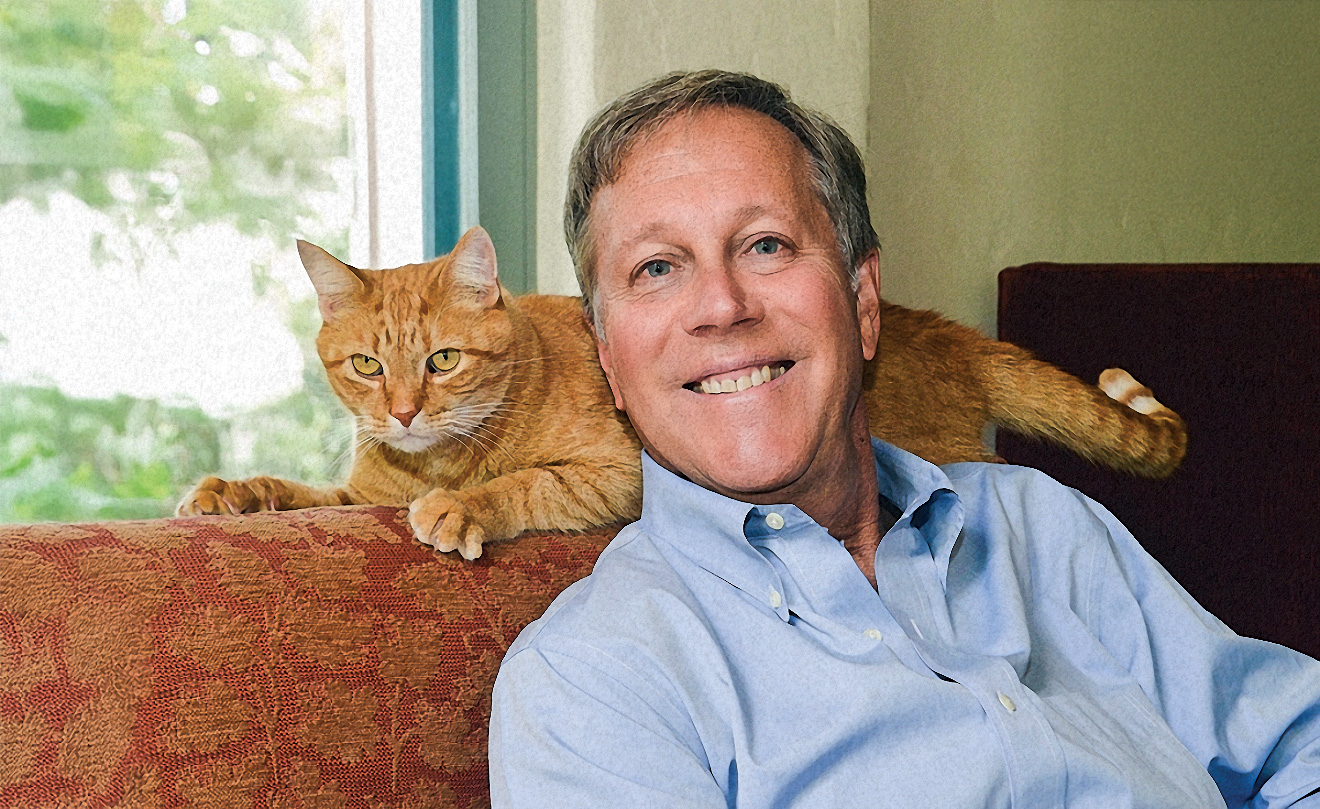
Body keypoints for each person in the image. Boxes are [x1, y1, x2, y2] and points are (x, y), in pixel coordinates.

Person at [488, 69, 1320, 808]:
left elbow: (1298, 745)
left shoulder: (1042, 526)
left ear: (863, 299)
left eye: (767, 244)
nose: (723, 305)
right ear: (608, 357)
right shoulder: (590, 682)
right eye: (657, 269)